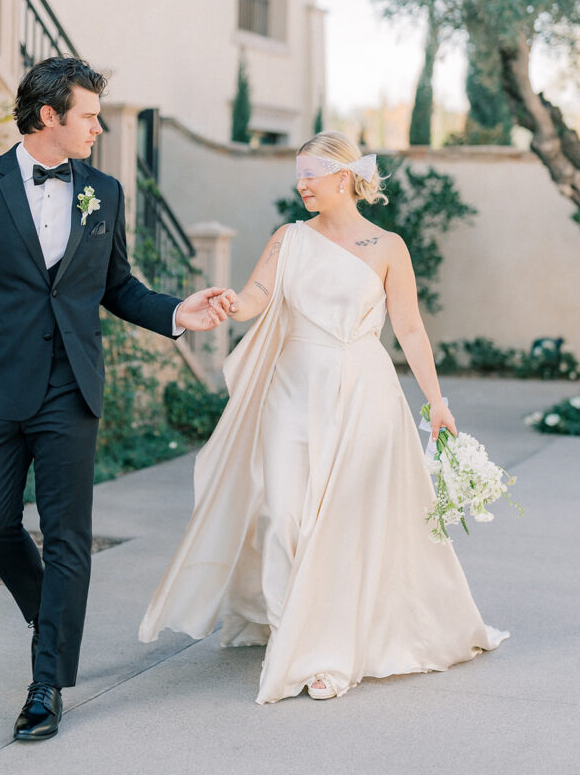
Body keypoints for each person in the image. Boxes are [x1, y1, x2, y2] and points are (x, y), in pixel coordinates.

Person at [0, 56, 229, 741]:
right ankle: (50, 617)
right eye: (88, 116)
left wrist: (180, 313)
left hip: (69, 389)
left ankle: (46, 682)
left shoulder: (104, 192)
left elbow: (117, 286)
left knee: (68, 538)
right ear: (49, 116)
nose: (98, 128)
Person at [139, 130, 507, 704]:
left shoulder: (388, 247)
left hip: (364, 393)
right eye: (297, 176)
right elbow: (257, 297)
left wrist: (437, 401)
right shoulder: (288, 240)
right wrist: (230, 305)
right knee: (283, 515)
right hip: (292, 388)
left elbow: (409, 327)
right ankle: (294, 633)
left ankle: (319, 650)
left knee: (343, 524)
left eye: (310, 174)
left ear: (343, 177)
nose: (301, 185)